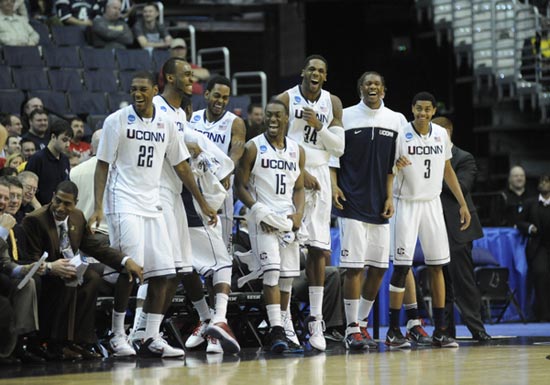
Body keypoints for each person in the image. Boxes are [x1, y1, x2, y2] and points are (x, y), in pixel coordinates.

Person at [89, 71, 217, 358]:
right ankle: (117, 334)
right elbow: (102, 165)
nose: (137, 94)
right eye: (133, 89)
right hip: (123, 202)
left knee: (164, 273)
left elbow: (182, 165)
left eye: (143, 89)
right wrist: (98, 206)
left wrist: (203, 203)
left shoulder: (166, 123)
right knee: (130, 269)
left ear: (154, 90)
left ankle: (150, 337)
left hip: (153, 202)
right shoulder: (116, 120)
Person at [149, 58, 239, 355]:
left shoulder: (184, 116)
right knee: (220, 262)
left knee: (182, 265)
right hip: (182, 197)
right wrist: (203, 199)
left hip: (197, 194)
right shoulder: (171, 113)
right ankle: (219, 320)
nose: (192, 78)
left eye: (226, 97)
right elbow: (178, 159)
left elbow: (230, 160)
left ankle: (201, 321)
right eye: (187, 75)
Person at [387, 91, 471, 349]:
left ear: (434, 111)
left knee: (438, 266)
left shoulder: (441, 135)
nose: (423, 113)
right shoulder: (401, 134)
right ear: (412, 109)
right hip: (406, 203)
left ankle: (441, 331)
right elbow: (388, 169)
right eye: (418, 109)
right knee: (402, 267)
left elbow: (447, 170)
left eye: (427, 109)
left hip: (432, 204)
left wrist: (462, 203)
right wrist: (393, 180)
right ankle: (393, 330)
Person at [23, 181, 143, 360]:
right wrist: (51, 267)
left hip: (70, 266)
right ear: (53, 196)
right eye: (58, 200)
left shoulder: (78, 217)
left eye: (67, 203)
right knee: (67, 279)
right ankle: (57, 343)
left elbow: (94, 247)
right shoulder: (35, 219)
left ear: (76, 203)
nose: (60, 207)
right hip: (45, 272)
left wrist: (125, 260)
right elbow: (29, 259)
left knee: (92, 278)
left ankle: (80, 341)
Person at [275, 54, 345, 351]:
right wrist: (298, 171)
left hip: (320, 175)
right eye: (312, 68)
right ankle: (282, 320)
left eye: (321, 70)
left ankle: (316, 320)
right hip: (288, 172)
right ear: (302, 71)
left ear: (325, 76)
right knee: (287, 248)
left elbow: (339, 147)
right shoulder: (285, 99)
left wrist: (319, 126)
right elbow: (273, 138)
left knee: (318, 248)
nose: (316, 73)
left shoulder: (334, 102)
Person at [331, 71, 404, 350]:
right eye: (367, 84)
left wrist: (390, 197)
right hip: (351, 203)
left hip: (379, 206)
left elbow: (392, 165)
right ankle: (351, 328)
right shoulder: (346, 116)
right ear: (360, 88)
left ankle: (360, 323)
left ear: (384, 89)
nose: (372, 87)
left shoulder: (396, 119)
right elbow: (333, 157)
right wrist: (334, 186)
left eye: (377, 84)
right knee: (354, 268)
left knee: (379, 268)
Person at [235, 99, 306, 353]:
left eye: (278, 116)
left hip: (287, 220)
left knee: (287, 279)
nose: (273, 120)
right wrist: (257, 210)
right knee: (272, 273)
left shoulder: (297, 150)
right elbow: (239, 185)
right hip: (263, 220)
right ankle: (275, 330)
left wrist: (299, 214)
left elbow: (299, 188)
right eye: (268, 116)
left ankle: (285, 327)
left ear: (287, 118)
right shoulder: (254, 147)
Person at [432, 116, 491, 342]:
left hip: (459, 226)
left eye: (438, 132)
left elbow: (463, 186)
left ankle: (477, 328)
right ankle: (445, 330)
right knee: (441, 280)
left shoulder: (464, 158)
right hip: (435, 225)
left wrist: (431, 176)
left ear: (449, 132)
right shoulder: (427, 155)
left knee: (463, 280)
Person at [187, 75, 247, 255]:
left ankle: (223, 276)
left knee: (223, 241)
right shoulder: (192, 119)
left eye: (225, 97)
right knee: (193, 237)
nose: (220, 101)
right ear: (206, 95)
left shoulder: (234, 122)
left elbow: (237, 148)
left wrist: (227, 170)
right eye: (216, 95)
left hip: (220, 183)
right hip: (195, 182)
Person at [517, 174, 550, 321]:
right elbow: (519, 222)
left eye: (547, 181)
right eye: (541, 182)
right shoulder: (530, 203)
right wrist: (529, 227)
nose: (544, 184)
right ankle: (543, 314)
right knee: (541, 274)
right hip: (538, 247)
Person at [25, 119, 71, 206]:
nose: (68, 144)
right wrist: (38, 208)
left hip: (58, 209)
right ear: (53, 137)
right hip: (39, 210)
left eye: (69, 141)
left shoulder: (65, 159)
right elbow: (26, 187)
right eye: (64, 140)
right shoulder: (37, 158)